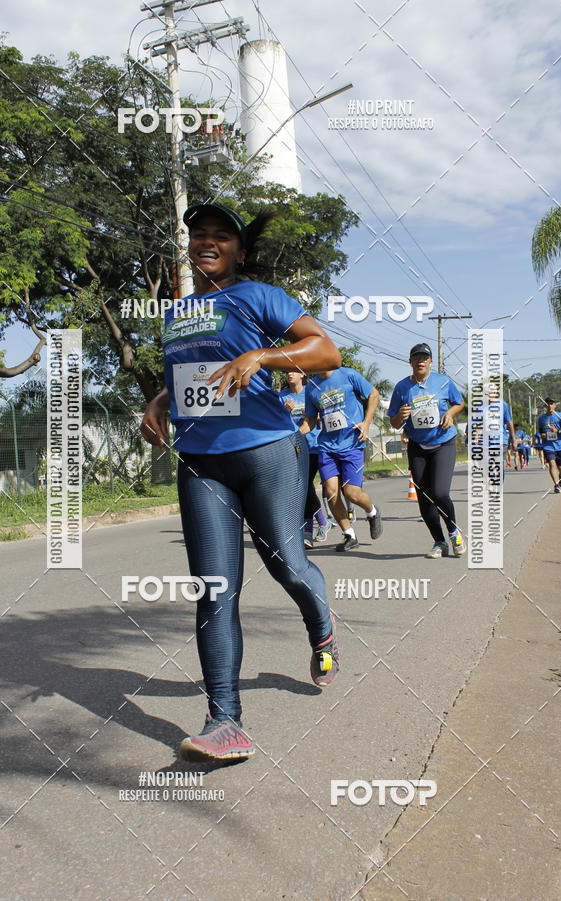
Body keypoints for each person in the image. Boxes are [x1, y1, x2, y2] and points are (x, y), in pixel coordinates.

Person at [140, 202, 342, 762]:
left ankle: (321, 623)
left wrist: (265, 355)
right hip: (202, 462)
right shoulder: (177, 312)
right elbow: (189, 376)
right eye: (199, 235)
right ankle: (224, 721)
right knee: (213, 590)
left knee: (287, 564)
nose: (208, 242)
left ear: (239, 251)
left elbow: (325, 350)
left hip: (268, 451)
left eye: (220, 236)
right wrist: (158, 400)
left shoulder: (257, 295)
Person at [388, 343, 465, 559]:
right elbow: (394, 423)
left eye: (424, 357)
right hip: (417, 446)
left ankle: (453, 531)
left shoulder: (443, 381)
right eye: (416, 357)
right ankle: (439, 542)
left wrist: (450, 413)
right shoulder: (402, 388)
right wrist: (400, 417)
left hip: (443, 443)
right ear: (410, 361)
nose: (420, 361)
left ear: (430, 361)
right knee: (424, 498)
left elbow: (459, 403)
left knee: (440, 493)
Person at [302, 366, 382, 552]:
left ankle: (372, 512)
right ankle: (349, 535)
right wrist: (295, 435)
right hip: (327, 447)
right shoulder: (312, 386)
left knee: (352, 493)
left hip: (352, 444)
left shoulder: (348, 374)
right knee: (331, 492)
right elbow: (311, 420)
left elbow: (374, 394)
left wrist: (367, 422)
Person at [279, 370, 332, 546]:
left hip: (314, 446)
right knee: (304, 488)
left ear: (302, 375)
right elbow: (278, 422)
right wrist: (285, 412)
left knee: (306, 487)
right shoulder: (283, 396)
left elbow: (320, 415)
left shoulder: (310, 391)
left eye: (293, 371)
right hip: (293, 448)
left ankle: (309, 531)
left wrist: (310, 415)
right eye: (287, 372)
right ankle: (323, 523)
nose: (289, 374)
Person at [537, 396, 561, 493]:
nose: (549, 405)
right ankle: (556, 485)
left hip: (560, 445)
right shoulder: (541, 418)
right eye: (547, 404)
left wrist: (558, 430)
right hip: (547, 445)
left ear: (554, 406)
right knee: (552, 464)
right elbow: (540, 430)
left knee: (560, 466)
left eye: (551, 404)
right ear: (545, 406)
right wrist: (542, 434)